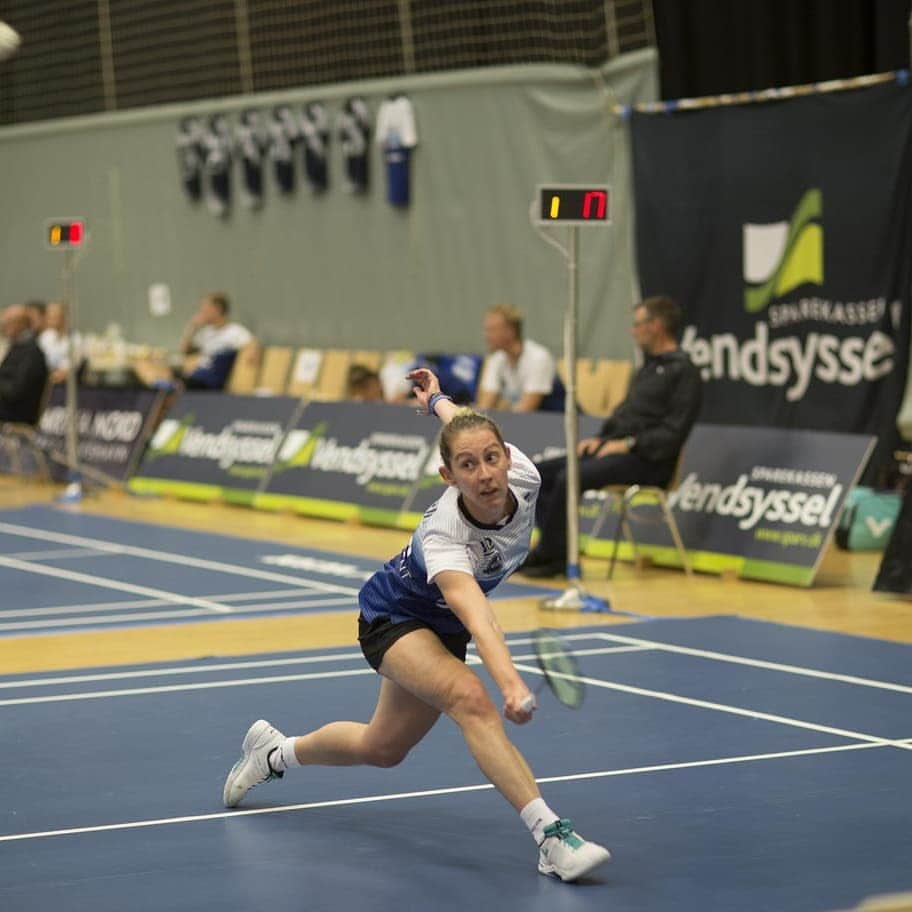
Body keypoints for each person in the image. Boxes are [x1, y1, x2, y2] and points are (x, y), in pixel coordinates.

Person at [222, 367, 612, 883]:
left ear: (507, 455)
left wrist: (437, 403)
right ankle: (552, 837)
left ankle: (275, 752)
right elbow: (479, 615)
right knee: (472, 699)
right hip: (394, 614)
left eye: (491, 458)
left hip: (440, 630)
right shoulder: (447, 537)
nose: (485, 474)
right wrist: (511, 685)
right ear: (449, 477)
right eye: (468, 466)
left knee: (382, 748)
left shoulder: (524, 475)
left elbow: (467, 428)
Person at [522, 295, 702, 577]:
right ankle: (552, 549)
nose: (633, 331)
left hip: (648, 461)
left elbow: (673, 433)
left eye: (638, 324)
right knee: (540, 474)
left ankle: (553, 558)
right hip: (616, 451)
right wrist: (601, 440)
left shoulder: (684, 372)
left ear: (655, 326)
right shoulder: (650, 368)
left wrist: (626, 444)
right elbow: (624, 417)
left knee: (568, 478)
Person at [476, 304, 563, 413]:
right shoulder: (496, 359)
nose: (487, 336)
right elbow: (485, 407)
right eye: (487, 330)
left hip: (563, 424)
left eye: (493, 330)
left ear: (510, 331)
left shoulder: (539, 358)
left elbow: (524, 411)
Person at [177, 291, 256, 390]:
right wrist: (192, 328)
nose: (202, 312)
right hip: (197, 375)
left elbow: (252, 346)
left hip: (211, 381)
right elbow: (185, 351)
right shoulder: (206, 332)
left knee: (176, 384)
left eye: (206, 309)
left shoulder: (235, 331)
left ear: (217, 309)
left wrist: (249, 358)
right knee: (165, 377)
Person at [0, 304, 49, 424]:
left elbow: (16, 391)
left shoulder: (31, 353)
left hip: (17, 415)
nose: (3, 328)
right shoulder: (16, 347)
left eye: (6, 323)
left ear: (20, 324)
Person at [38, 300, 83, 385]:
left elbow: (66, 371)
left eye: (53, 315)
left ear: (64, 317)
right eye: (48, 315)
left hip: (61, 386)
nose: (48, 318)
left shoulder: (75, 340)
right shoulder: (45, 337)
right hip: (43, 380)